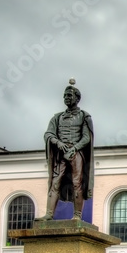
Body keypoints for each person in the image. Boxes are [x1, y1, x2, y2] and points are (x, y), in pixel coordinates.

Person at [37, 79, 94, 221]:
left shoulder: (84, 116)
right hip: (61, 154)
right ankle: (49, 214)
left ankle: (77, 215)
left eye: (69, 95)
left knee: (77, 183)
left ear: (77, 98)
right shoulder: (57, 118)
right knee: (55, 182)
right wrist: (58, 143)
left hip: (76, 152)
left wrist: (74, 148)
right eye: (65, 96)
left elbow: (87, 137)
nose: (66, 98)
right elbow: (48, 134)